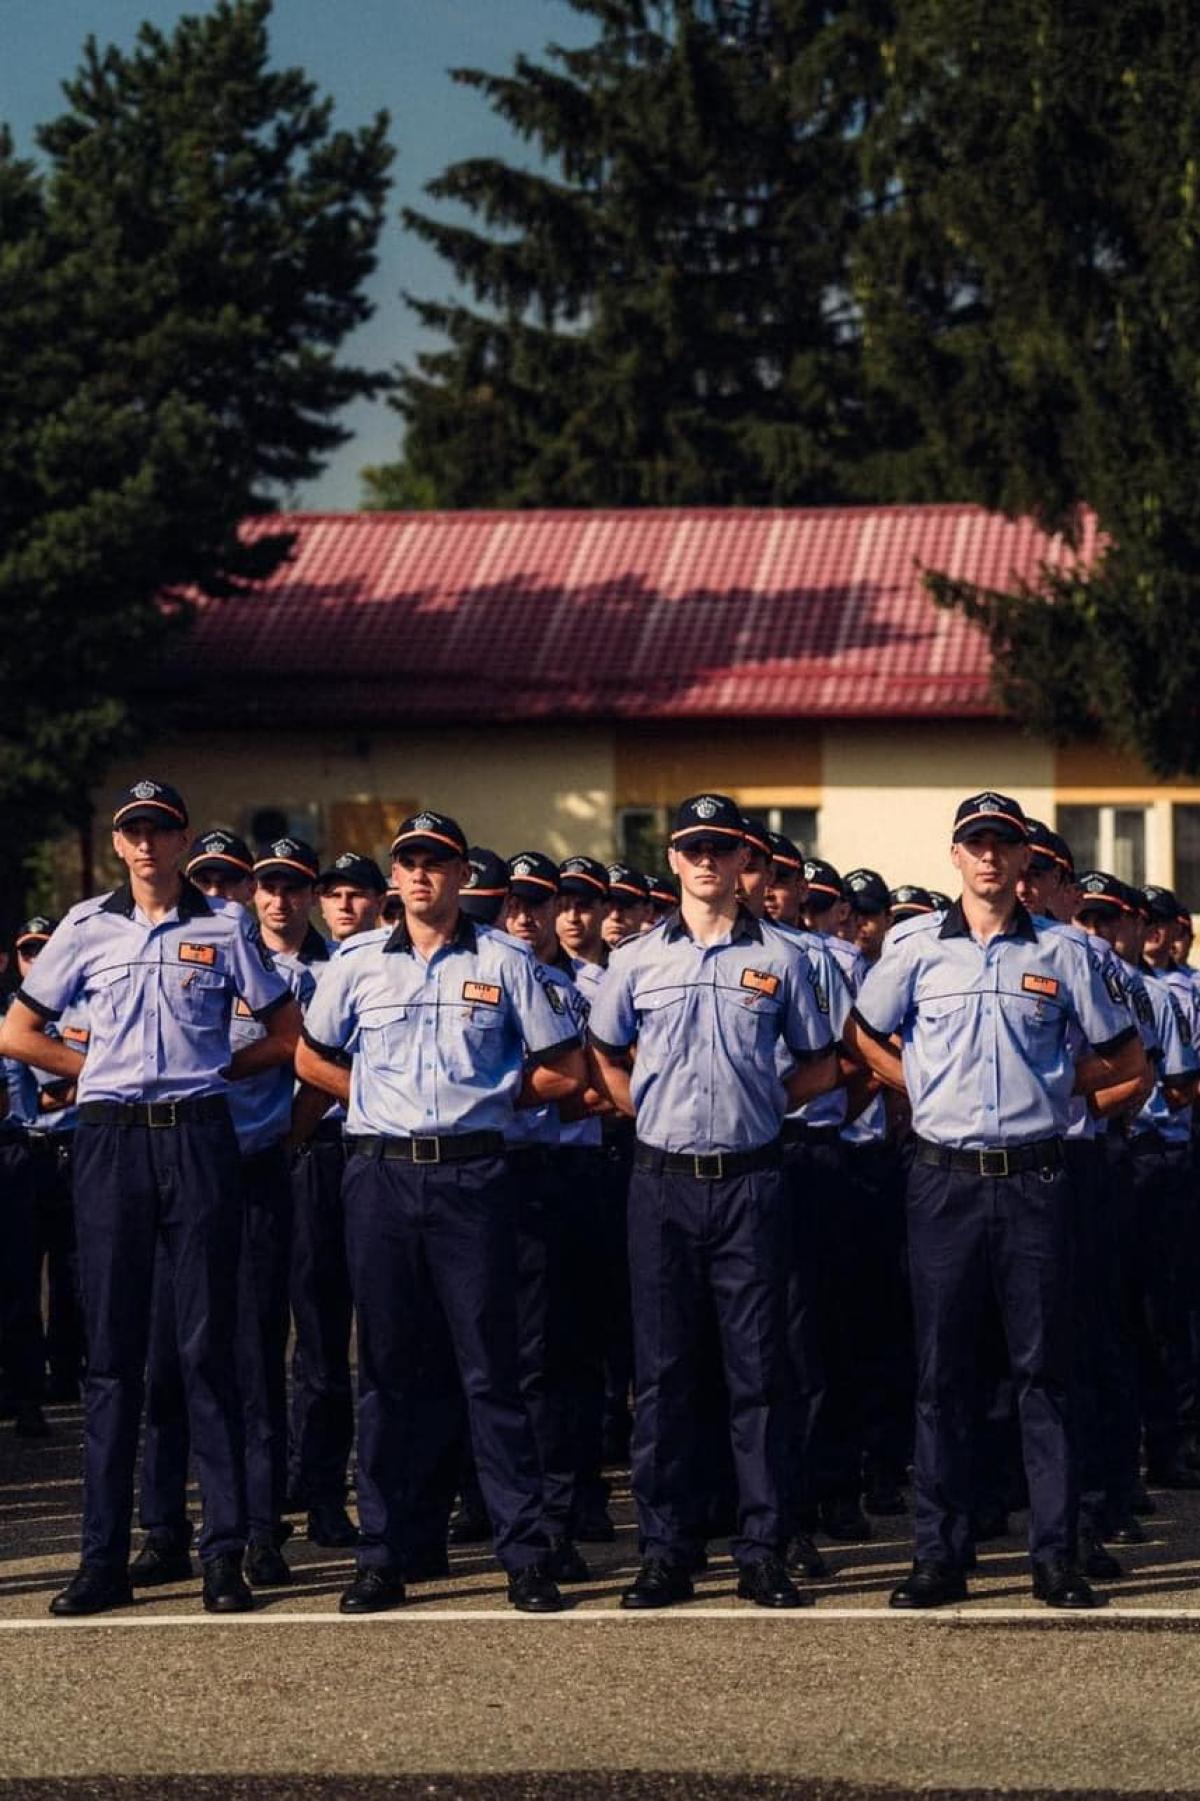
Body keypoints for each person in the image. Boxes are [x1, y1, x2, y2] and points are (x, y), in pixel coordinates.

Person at [0, 780, 300, 1616]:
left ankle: (224, 1555)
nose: (145, 846)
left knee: (208, 1348)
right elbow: (18, 1032)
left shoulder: (225, 924)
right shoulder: (84, 926)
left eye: (159, 831)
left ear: (181, 839)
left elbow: (283, 1035)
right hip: (110, 1139)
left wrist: (215, 1072)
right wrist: (89, 1072)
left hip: (200, 1136)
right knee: (112, 1357)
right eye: (132, 832)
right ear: (120, 841)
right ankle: (102, 1558)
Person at [847, 791, 1143, 1610]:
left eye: (1003, 845)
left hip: (1036, 1180)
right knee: (941, 1373)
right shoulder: (912, 952)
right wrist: (920, 1082)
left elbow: (1124, 1059)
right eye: (975, 843)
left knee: (1043, 1371)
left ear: (1024, 861)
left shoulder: (1067, 952)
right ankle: (939, 1556)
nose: (988, 858)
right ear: (955, 856)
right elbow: (865, 1033)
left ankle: (1054, 1556)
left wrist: (1057, 1087)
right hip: (941, 1178)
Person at [295, 809, 588, 1614]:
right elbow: (311, 1054)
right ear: (395, 877)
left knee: (491, 1369)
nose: (421, 874)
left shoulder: (506, 960)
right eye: (409, 861)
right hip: (381, 1178)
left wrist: (494, 1100)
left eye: (438, 861)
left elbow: (564, 1069)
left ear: (462, 876)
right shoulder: (356, 964)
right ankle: (388, 1551)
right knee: (388, 1371)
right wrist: (374, 1101)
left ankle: (525, 1552)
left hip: (473, 1178)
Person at [590, 793, 838, 1610]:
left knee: (758, 1371)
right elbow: (602, 1049)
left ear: (745, 864)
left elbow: (817, 1063)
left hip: (752, 1182)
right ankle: (666, 1549)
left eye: (720, 849)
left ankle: (761, 1546)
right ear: (674, 861)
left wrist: (764, 1106)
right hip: (659, 1183)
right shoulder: (634, 960)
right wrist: (644, 1108)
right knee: (662, 1376)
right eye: (691, 847)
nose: (705, 861)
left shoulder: (785, 960)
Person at [288, 850, 387, 1548]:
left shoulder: (366, 965)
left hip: (346, 1148)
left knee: (337, 1338)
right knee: (260, 1339)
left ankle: (327, 1493)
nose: (343, 904)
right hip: (268, 1157)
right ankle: (268, 1500)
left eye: (358, 893)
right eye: (334, 894)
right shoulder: (247, 968)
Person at [15, 918, 88, 1407]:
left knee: (76, 1272)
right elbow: (49, 1094)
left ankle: (66, 1373)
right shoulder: (13, 1017)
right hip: (27, 1154)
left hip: (80, 1149)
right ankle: (24, 1388)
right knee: (20, 1275)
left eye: (45, 950)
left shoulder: (88, 1009)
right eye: (29, 952)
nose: (37, 961)